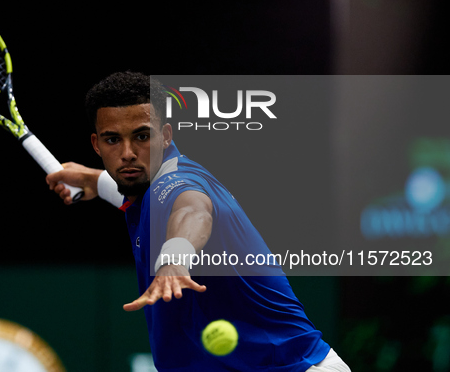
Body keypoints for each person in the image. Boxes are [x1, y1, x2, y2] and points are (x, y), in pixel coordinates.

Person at [46, 71, 351, 371]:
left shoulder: (179, 182)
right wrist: (94, 181)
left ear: (165, 136)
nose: (127, 153)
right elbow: (139, 193)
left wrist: (175, 258)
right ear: (96, 144)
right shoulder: (148, 185)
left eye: (142, 136)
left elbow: (192, 211)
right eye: (113, 140)